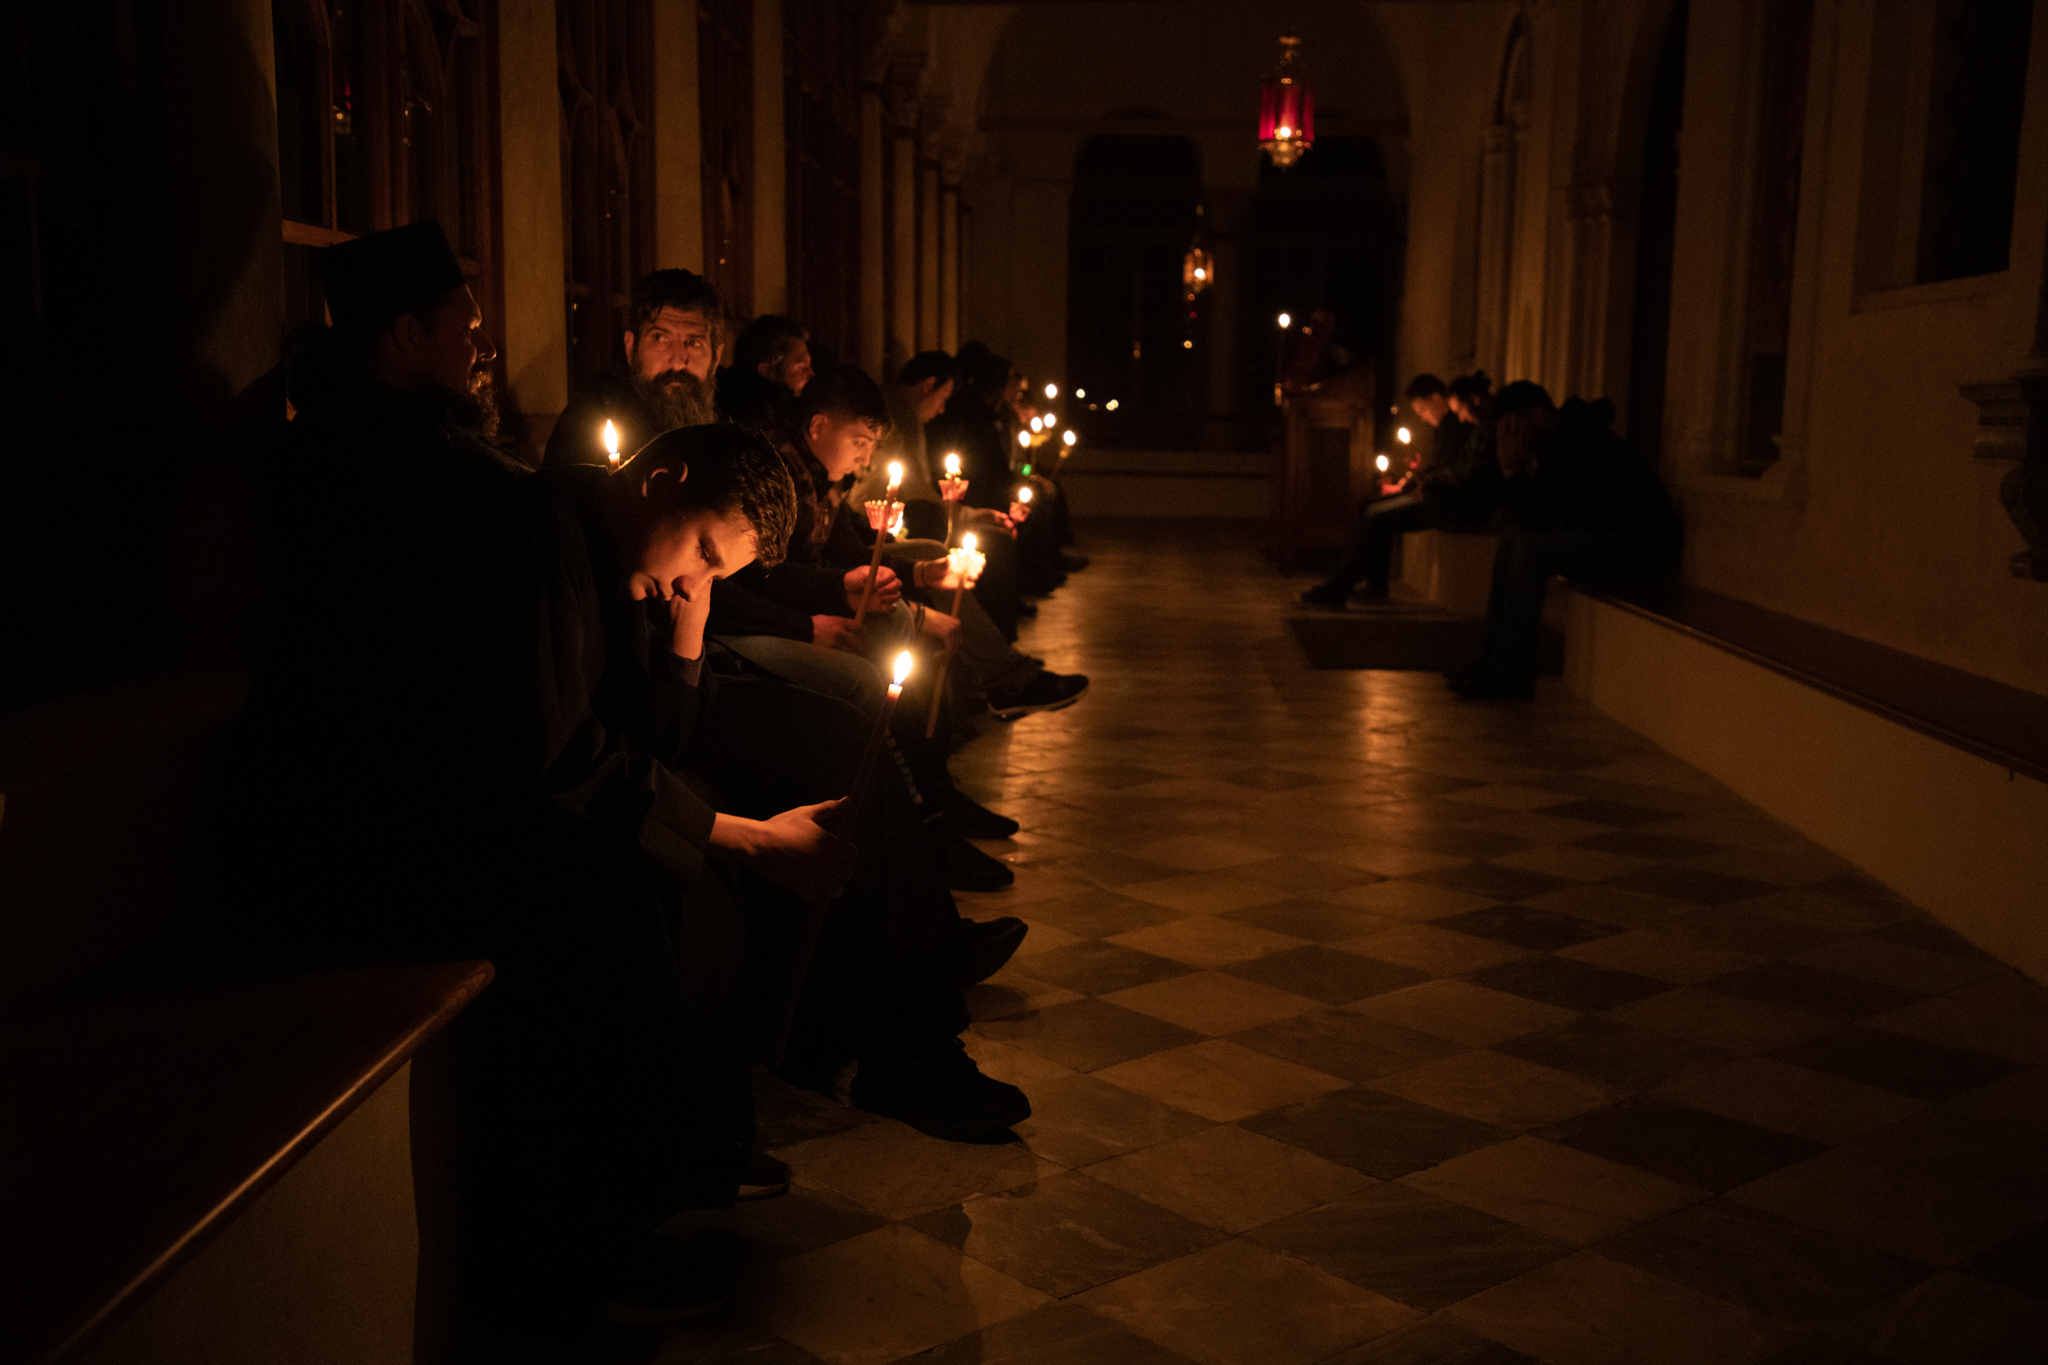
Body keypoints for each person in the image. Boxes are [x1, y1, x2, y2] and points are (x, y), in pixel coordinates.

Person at [208, 222, 802, 1328]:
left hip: (404, 773)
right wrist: (739, 834)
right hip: (356, 815)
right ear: (401, 336)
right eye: (464, 329)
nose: (484, 351)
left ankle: (648, 1197)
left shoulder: (463, 477)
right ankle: (571, 1263)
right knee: (591, 914)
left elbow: (563, 722)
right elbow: (541, 749)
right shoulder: (438, 483)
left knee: (636, 879)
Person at [1448, 382, 1682, 699]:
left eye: (1512, 428)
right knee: (1513, 539)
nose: (1509, 438)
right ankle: (1493, 660)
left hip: (1642, 548)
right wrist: (1511, 473)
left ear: (1537, 415)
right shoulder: (1558, 441)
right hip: (1609, 536)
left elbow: (1542, 517)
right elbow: (1533, 515)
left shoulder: (1578, 441)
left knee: (1529, 548)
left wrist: (1513, 471)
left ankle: (1512, 675)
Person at [1299, 372, 1495, 607]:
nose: (1461, 417)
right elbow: (1455, 467)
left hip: (1453, 502)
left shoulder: (1467, 427)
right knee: (1372, 508)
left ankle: (1339, 586)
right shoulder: (1468, 427)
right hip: (1446, 494)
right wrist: (1423, 479)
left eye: (1422, 410)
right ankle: (1361, 582)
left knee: (1378, 516)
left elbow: (1463, 472)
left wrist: (1428, 482)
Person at [543, 267, 723, 469]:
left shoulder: (737, 421)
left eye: (693, 343)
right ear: (630, 347)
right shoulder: (585, 428)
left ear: (717, 357)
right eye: (660, 339)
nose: (678, 362)